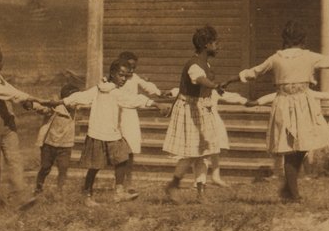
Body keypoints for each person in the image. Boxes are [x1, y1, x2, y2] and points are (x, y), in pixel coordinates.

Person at [238, 21, 329, 203]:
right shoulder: (283, 57)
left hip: (298, 102)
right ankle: (293, 194)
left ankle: (288, 188)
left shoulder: (285, 58)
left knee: (301, 146)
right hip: (289, 102)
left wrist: (233, 80)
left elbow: (252, 73)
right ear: (302, 40)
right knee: (292, 148)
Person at [64, 59, 159, 205]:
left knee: (122, 158)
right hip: (97, 133)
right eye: (121, 75)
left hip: (113, 133)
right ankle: (87, 195)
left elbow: (131, 100)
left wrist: (153, 104)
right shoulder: (100, 89)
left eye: (126, 76)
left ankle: (119, 193)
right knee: (95, 167)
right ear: (112, 74)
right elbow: (81, 97)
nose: (123, 79)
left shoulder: (116, 91)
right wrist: (63, 101)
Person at [0, 45, 51, 208]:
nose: (3, 62)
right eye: (0, 59)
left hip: (7, 123)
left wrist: (39, 107)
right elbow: (12, 95)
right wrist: (38, 99)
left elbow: (15, 92)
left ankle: (20, 196)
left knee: (15, 158)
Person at [163, 25, 229, 200]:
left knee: (204, 152)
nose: (218, 46)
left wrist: (214, 89)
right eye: (215, 43)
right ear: (206, 45)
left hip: (202, 109)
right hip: (190, 111)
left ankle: (201, 192)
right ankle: (173, 185)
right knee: (192, 153)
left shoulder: (205, 63)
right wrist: (214, 85)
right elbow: (198, 78)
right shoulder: (194, 64)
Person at [113, 50, 162, 194]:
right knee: (120, 151)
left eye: (134, 67)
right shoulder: (115, 80)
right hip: (117, 115)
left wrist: (159, 92)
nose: (132, 70)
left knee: (131, 150)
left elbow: (146, 85)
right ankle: (119, 183)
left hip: (130, 117)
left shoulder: (134, 78)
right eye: (129, 67)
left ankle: (128, 181)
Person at [34, 78, 81, 195]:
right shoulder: (55, 107)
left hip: (66, 145)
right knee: (45, 167)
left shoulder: (76, 109)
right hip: (49, 143)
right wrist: (32, 105)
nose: (74, 103)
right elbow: (43, 108)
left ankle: (59, 191)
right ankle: (38, 187)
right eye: (72, 100)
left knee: (63, 168)